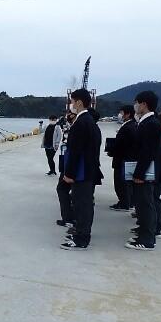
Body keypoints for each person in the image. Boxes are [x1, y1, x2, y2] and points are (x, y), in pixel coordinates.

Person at [60, 88, 98, 251]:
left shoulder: (81, 122)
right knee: (83, 203)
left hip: (81, 171)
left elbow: (76, 151)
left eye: (72, 101)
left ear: (79, 102)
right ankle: (81, 232)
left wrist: (69, 173)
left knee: (82, 204)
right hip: (87, 169)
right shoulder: (88, 121)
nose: (71, 105)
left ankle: (81, 239)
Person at [124, 91, 161, 251]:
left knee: (146, 203)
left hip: (144, 172)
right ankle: (143, 231)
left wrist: (139, 174)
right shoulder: (145, 122)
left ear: (144, 104)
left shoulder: (151, 124)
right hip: (141, 169)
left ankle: (147, 239)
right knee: (141, 202)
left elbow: (147, 152)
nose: (135, 106)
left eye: (137, 102)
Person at [108, 105, 138, 211]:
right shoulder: (131, 125)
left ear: (128, 114)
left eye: (121, 112)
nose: (120, 115)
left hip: (123, 159)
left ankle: (124, 203)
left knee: (121, 183)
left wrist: (112, 151)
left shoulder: (128, 127)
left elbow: (123, 145)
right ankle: (128, 202)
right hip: (125, 158)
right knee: (125, 183)